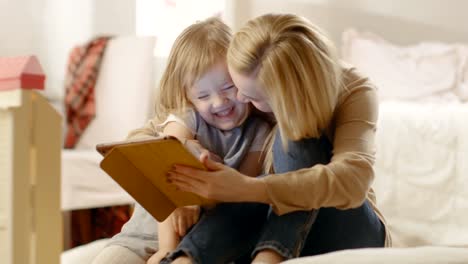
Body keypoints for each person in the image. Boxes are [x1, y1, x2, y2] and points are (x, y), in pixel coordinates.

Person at [167, 13, 391, 263]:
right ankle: (186, 260)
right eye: (235, 86)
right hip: (271, 227)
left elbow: (353, 180)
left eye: (253, 97)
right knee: (257, 193)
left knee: (294, 136)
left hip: (346, 226)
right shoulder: (248, 82)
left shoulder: (355, 90)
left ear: (285, 95)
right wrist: (187, 164)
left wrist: (248, 188)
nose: (240, 99)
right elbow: (160, 126)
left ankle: (268, 256)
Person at [91, 17, 270, 264]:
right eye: (204, 95)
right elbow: (163, 162)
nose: (219, 102)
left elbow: (242, 192)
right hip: (144, 235)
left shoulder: (259, 132)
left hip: (199, 243)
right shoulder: (188, 118)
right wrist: (167, 247)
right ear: (188, 96)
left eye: (228, 87)